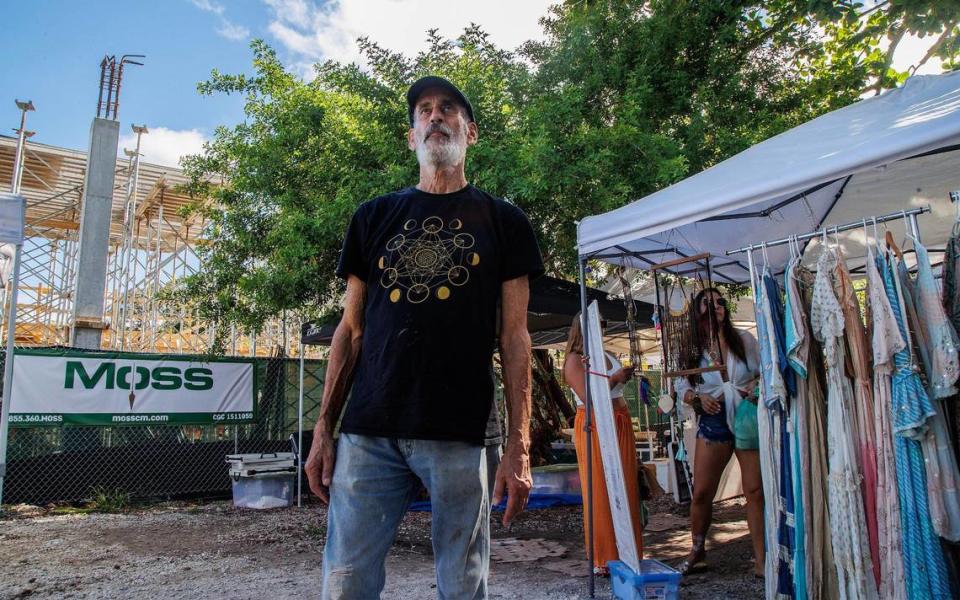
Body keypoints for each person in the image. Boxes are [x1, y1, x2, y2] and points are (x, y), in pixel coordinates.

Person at [304, 75, 545, 599]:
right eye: (425, 111)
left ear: (470, 131)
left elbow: (515, 338)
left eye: (448, 109)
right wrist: (324, 427)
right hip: (369, 431)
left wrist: (519, 447)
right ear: (412, 137)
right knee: (345, 582)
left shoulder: (505, 222)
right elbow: (351, 330)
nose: (435, 116)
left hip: (460, 433)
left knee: (463, 586)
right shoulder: (374, 217)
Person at [674, 288, 764, 577]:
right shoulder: (691, 348)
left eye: (720, 301)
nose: (717, 306)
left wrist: (755, 387)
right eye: (708, 303)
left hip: (746, 415)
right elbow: (681, 387)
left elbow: (764, 372)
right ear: (697, 311)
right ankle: (697, 551)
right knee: (701, 493)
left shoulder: (745, 340)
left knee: (754, 490)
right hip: (714, 420)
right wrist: (697, 399)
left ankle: (762, 560)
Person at [562, 314, 644, 575]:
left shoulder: (606, 353)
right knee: (600, 486)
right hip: (596, 422)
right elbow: (588, 396)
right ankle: (604, 557)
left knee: (626, 483)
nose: (603, 328)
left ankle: (627, 552)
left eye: (604, 323)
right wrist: (616, 378)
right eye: (598, 324)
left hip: (619, 419)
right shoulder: (575, 359)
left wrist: (622, 378)